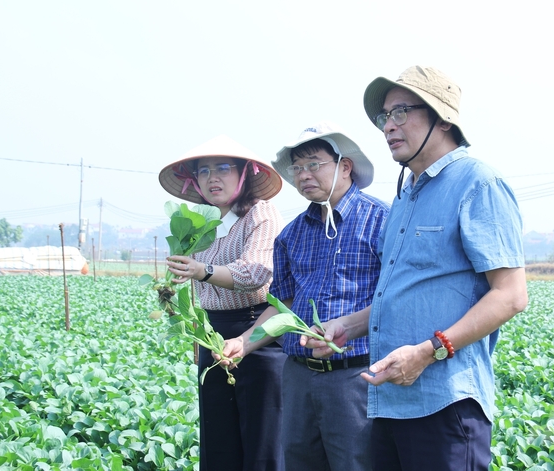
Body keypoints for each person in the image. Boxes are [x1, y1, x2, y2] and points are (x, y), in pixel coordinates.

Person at [304, 66, 529, 470]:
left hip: (446, 400)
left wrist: (429, 351)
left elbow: (511, 295)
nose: (389, 126)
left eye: (401, 112)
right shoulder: (406, 194)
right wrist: (348, 326)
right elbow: (405, 294)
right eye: (384, 117)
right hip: (391, 401)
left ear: (443, 119)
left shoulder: (477, 183)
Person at [220, 121, 390, 471]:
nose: (304, 175)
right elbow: (283, 307)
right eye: (298, 168)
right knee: (299, 462)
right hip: (297, 375)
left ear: (345, 166)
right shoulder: (292, 234)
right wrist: (243, 342)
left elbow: (396, 298)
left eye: (314, 164)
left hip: (355, 374)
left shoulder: (382, 221)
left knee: (357, 463)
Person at [158, 135, 286, 471]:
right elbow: (192, 279)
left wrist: (202, 270)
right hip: (213, 337)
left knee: (262, 446)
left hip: (257, 334)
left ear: (245, 174)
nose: (212, 177)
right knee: (219, 444)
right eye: (203, 171)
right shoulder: (203, 225)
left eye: (223, 168)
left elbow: (256, 272)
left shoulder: (261, 214)